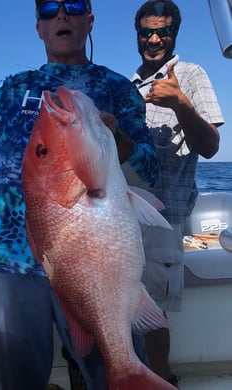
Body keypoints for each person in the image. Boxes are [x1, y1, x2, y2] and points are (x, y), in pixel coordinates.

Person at [0, 1, 159, 388]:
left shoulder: (117, 88)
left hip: (95, 257)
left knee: (110, 371)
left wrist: (113, 137)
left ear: (89, 21)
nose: (61, 15)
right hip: (12, 263)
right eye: (50, 9)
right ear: (39, 27)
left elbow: (150, 169)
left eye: (73, 6)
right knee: (14, 381)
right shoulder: (12, 86)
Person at [131, 0, 224, 387]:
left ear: (174, 35)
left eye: (163, 32)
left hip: (165, 215)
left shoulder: (191, 74)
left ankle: (159, 380)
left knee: (153, 312)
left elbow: (211, 145)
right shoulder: (127, 85)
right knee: (125, 304)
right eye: (147, 32)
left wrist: (180, 102)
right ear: (137, 35)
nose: (154, 39)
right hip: (124, 214)